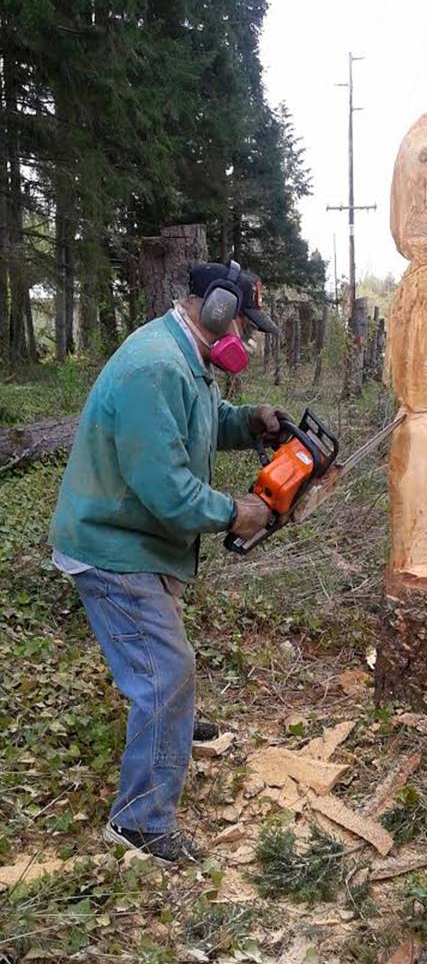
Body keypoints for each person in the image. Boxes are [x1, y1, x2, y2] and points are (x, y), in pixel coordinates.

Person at [49, 260, 287, 864]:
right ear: (214, 312)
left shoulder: (189, 361)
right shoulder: (155, 367)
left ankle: (170, 728)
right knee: (167, 671)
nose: (249, 338)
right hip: (112, 544)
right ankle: (140, 822)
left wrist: (249, 422)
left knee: (166, 659)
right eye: (245, 324)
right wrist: (237, 511)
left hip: (135, 536)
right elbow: (169, 491)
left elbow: (196, 428)